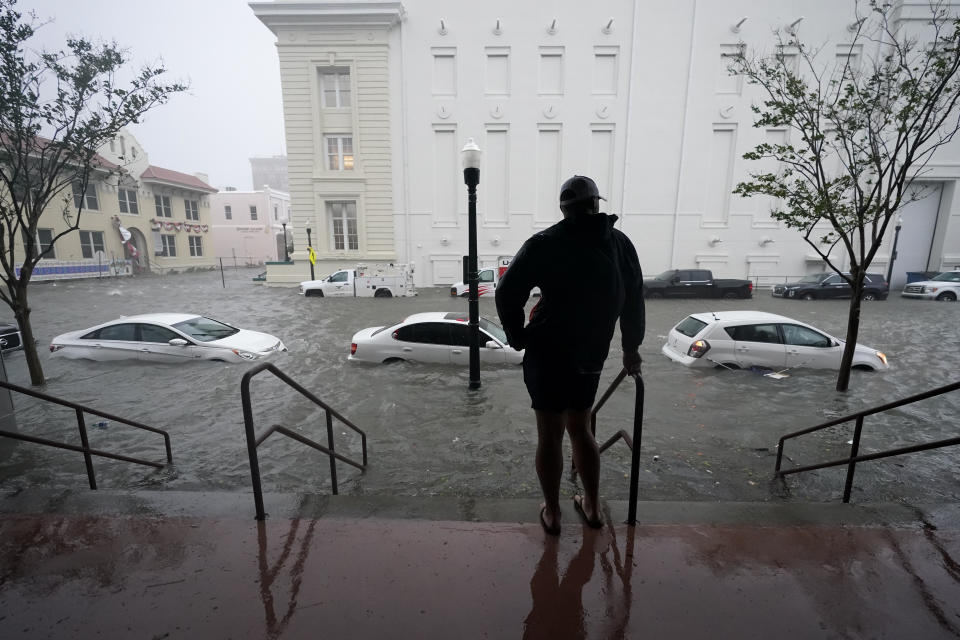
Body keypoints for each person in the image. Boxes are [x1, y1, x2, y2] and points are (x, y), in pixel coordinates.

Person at [495, 175, 644, 535]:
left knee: (549, 435)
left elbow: (506, 293)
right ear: (597, 204)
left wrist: (517, 337)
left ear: (563, 208)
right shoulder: (620, 244)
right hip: (591, 354)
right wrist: (630, 348)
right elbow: (633, 299)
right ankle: (592, 507)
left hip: (547, 353)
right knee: (581, 429)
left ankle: (553, 513)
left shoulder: (545, 243)